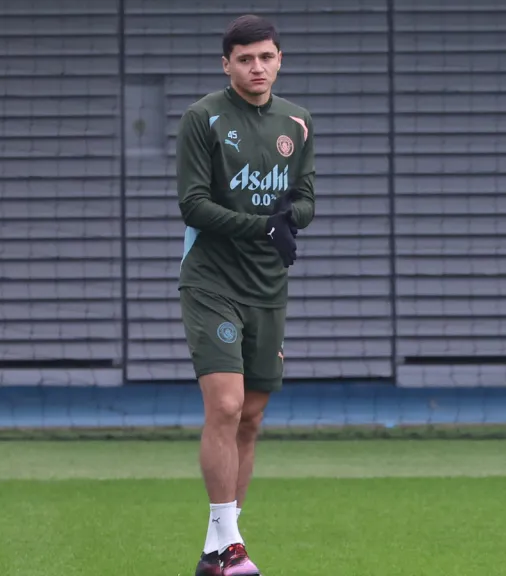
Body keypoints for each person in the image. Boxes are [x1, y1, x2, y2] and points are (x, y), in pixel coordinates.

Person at [175, 13, 315, 576]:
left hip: (267, 285)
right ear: (226, 63)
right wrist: (258, 226)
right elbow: (192, 204)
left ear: (279, 59)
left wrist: (288, 219)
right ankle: (233, 545)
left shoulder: (298, 122)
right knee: (226, 406)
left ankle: (215, 551)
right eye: (245, 58)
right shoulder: (202, 118)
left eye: (266, 57)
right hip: (211, 280)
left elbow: (305, 198)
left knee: (251, 418)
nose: (256, 67)